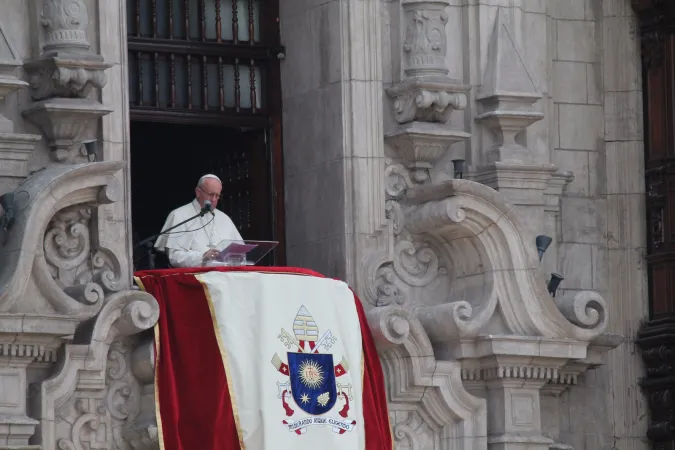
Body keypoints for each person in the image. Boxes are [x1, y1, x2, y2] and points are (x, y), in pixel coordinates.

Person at [154, 174, 243, 268]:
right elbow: (174, 257)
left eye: (217, 195)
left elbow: (240, 252)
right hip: (194, 277)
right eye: (210, 194)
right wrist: (202, 257)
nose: (213, 199)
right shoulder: (179, 215)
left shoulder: (225, 219)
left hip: (224, 276)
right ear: (198, 192)